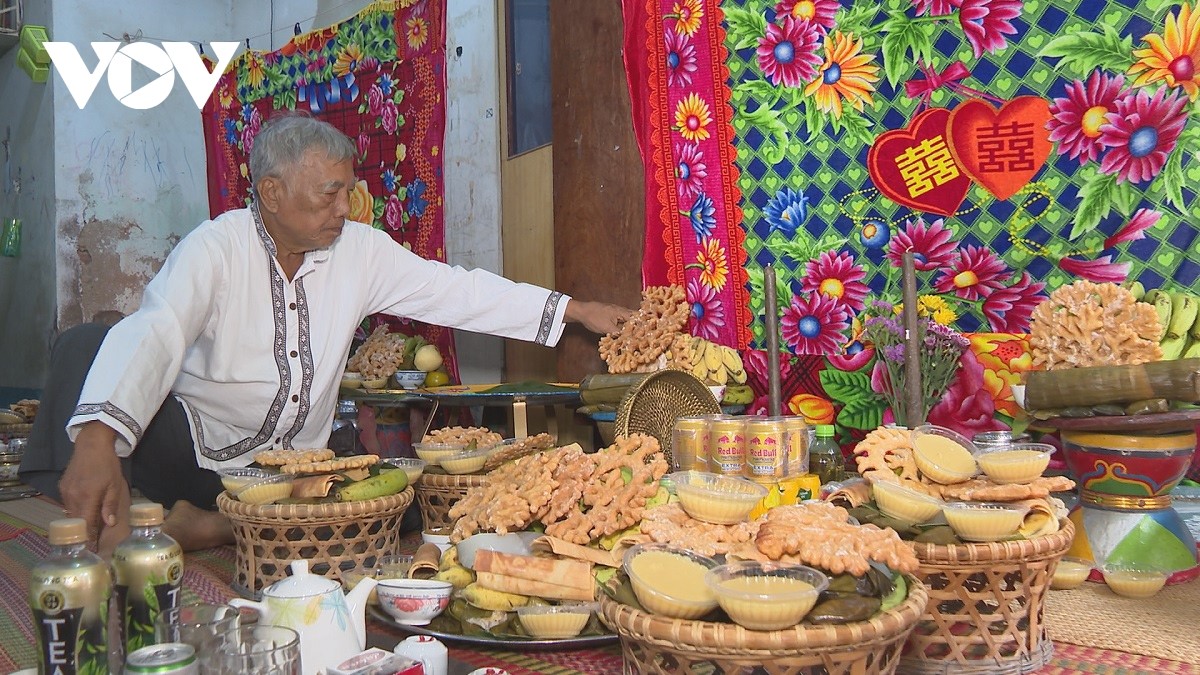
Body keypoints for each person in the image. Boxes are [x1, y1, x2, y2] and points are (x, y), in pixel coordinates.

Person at [20, 113, 631, 555]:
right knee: (87, 347)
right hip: (194, 451)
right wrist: (100, 440)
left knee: (407, 506)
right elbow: (157, 329)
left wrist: (574, 310)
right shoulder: (217, 247)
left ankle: (214, 528)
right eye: (329, 193)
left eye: (348, 190)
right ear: (272, 194)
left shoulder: (360, 252)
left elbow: (458, 291)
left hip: (292, 472)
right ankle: (160, 511)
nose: (345, 207)